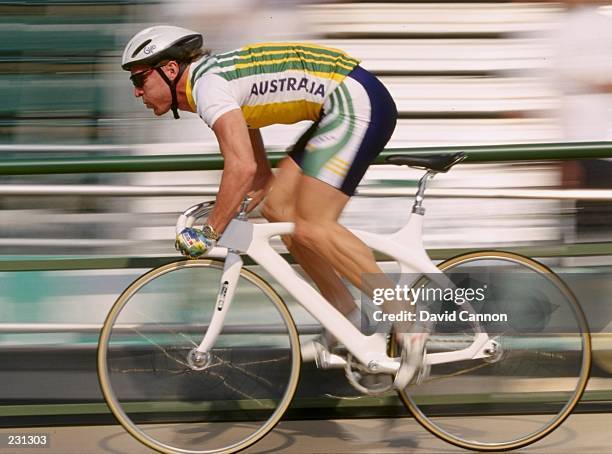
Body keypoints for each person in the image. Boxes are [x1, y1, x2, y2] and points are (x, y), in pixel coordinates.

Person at [121, 25, 419, 373]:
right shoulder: (208, 83)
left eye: (139, 80)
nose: (137, 92)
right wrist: (251, 192)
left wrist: (210, 231)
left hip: (354, 102)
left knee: (313, 225)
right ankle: (347, 317)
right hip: (340, 103)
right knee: (279, 210)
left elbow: (240, 165)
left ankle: (406, 317)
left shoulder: (207, 88)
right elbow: (254, 160)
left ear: (170, 70)